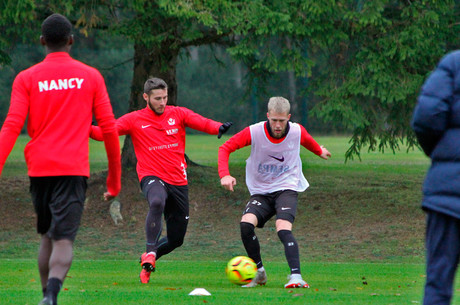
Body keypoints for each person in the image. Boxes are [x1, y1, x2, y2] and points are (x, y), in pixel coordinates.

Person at [0, 14, 121, 305]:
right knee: (63, 239)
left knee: (47, 236)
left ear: (42, 41)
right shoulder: (90, 76)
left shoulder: (26, 78)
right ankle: (52, 296)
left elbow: (11, 126)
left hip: (39, 171)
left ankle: (45, 297)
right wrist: (113, 181)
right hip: (71, 170)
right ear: (71, 40)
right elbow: (109, 129)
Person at [90, 77, 232, 284]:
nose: (162, 102)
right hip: (151, 175)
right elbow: (106, 132)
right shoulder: (134, 119)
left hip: (178, 181)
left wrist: (218, 128)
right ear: (146, 97)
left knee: (176, 240)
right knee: (156, 201)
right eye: (157, 98)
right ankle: (149, 252)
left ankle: (150, 258)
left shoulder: (178, 113)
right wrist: (86, 127)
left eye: (165, 97)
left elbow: (200, 121)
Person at [218, 97, 331, 288]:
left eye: (282, 121)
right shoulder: (254, 132)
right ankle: (259, 272)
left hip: (287, 187)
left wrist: (319, 151)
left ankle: (296, 277)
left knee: (283, 228)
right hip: (261, 191)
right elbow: (225, 148)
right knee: (246, 225)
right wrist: (225, 175)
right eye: (274, 120)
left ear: (288, 117)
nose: (278, 125)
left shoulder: (296, 131)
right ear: (267, 116)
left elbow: (308, 141)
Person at [411, 50, 460, 305]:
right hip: (447, 194)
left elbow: (426, 119)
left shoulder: (454, 63)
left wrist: (443, 156)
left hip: (447, 195)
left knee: (438, 286)